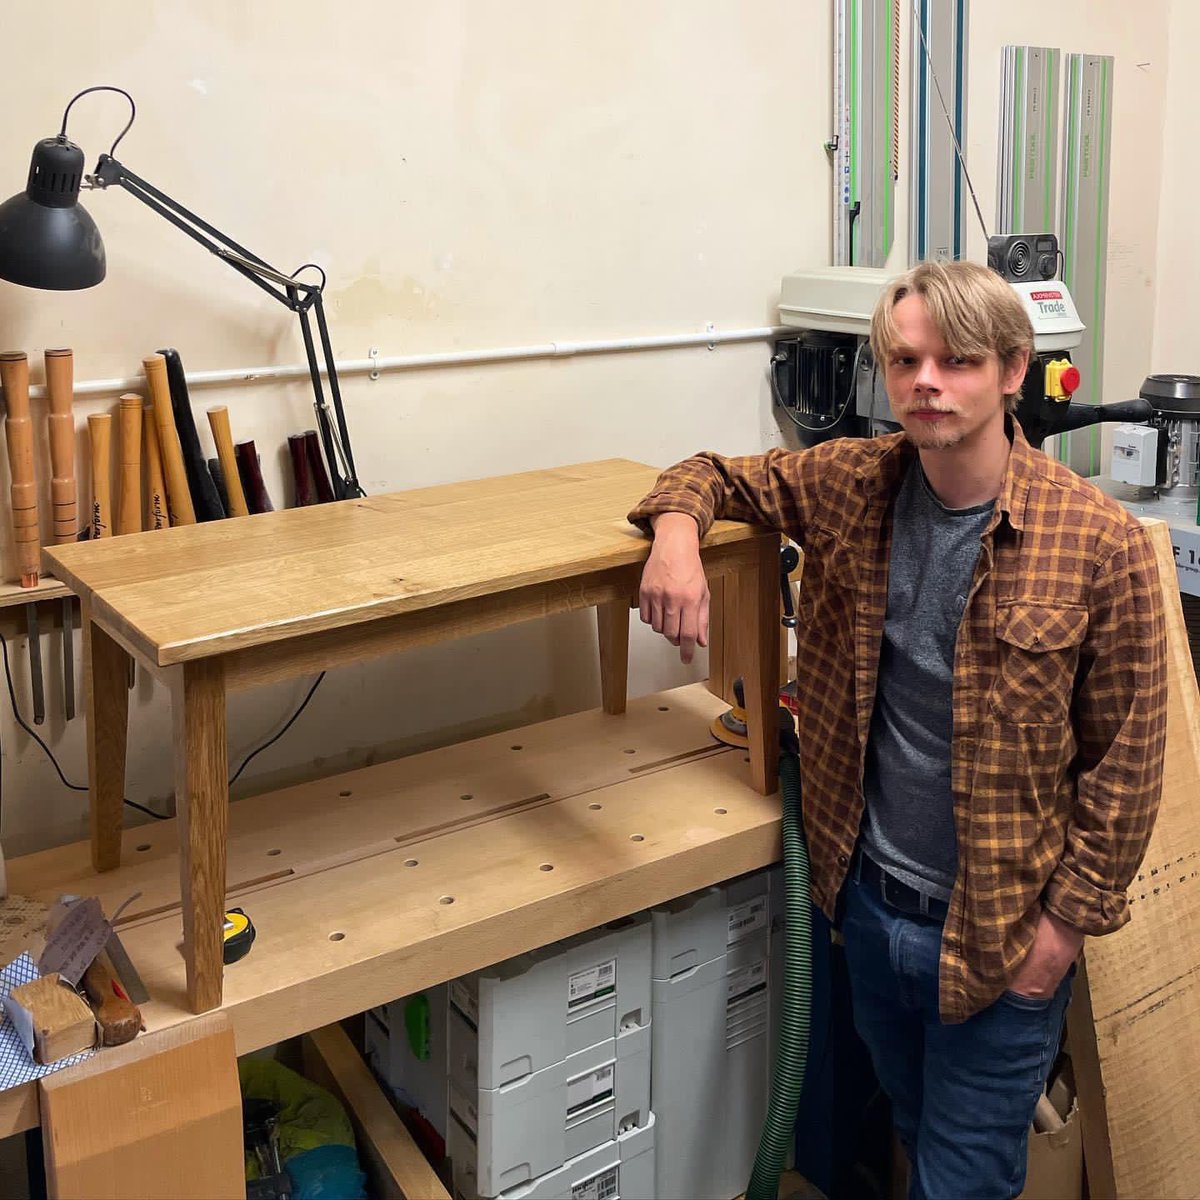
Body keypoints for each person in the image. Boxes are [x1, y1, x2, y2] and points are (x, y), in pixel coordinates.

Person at [627, 259, 1168, 1199]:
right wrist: (677, 539)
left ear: (1011, 371)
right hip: (872, 915)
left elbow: (1127, 767)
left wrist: (1060, 936)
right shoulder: (850, 484)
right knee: (915, 1132)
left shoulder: (1098, 542)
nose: (926, 381)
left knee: (962, 1180)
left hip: (1002, 940)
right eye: (907, 359)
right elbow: (707, 474)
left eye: (957, 361)